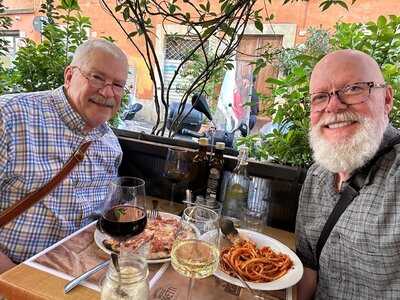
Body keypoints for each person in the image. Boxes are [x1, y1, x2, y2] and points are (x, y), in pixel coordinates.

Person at [0, 38, 128, 273]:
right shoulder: (9, 117)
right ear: (69, 76)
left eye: (118, 85)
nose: (108, 92)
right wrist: (13, 281)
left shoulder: (111, 145)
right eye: (97, 77)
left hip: (80, 271)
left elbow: (106, 216)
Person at [295, 49, 398, 299]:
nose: (333, 106)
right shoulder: (317, 176)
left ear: (386, 99)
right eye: (320, 97)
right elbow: (309, 265)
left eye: (353, 89)